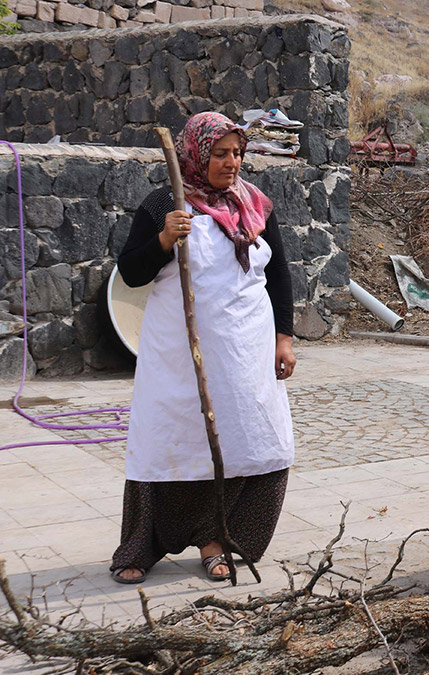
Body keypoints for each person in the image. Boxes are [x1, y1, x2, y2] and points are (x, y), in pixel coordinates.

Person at [110, 112, 297, 584]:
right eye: (220, 154)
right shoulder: (165, 204)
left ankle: (220, 541)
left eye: (237, 153)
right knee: (169, 443)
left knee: (249, 441)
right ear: (196, 154)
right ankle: (140, 546)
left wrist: (283, 338)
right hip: (178, 356)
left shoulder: (255, 204)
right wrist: (163, 238)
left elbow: (278, 275)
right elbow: (131, 272)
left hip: (245, 351)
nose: (231, 162)